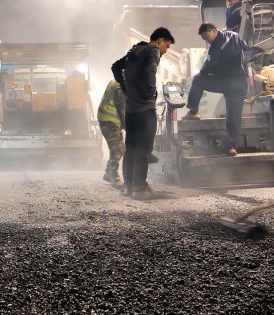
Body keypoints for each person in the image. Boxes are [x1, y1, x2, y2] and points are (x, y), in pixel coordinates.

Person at [112, 27, 174, 199]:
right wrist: (149, 95)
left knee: (131, 148)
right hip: (145, 109)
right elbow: (150, 73)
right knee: (144, 149)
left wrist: (126, 89)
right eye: (166, 47)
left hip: (131, 110)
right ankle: (140, 187)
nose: (165, 51)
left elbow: (116, 67)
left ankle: (128, 186)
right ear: (160, 40)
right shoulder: (152, 50)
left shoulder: (134, 51)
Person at [186, 23, 250, 155]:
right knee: (234, 116)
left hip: (229, 82)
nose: (207, 41)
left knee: (198, 80)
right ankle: (231, 147)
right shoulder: (235, 36)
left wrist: (203, 72)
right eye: (204, 39)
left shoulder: (216, 46)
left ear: (214, 31)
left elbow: (209, 65)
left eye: (207, 37)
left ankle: (193, 111)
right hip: (238, 82)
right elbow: (247, 50)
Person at [97, 79, 127, 186]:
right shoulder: (120, 87)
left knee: (120, 148)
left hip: (110, 119)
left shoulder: (118, 81)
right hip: (109, 119)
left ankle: (109, 172)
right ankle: (112, 174)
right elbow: (122, 110)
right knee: (117, 148)